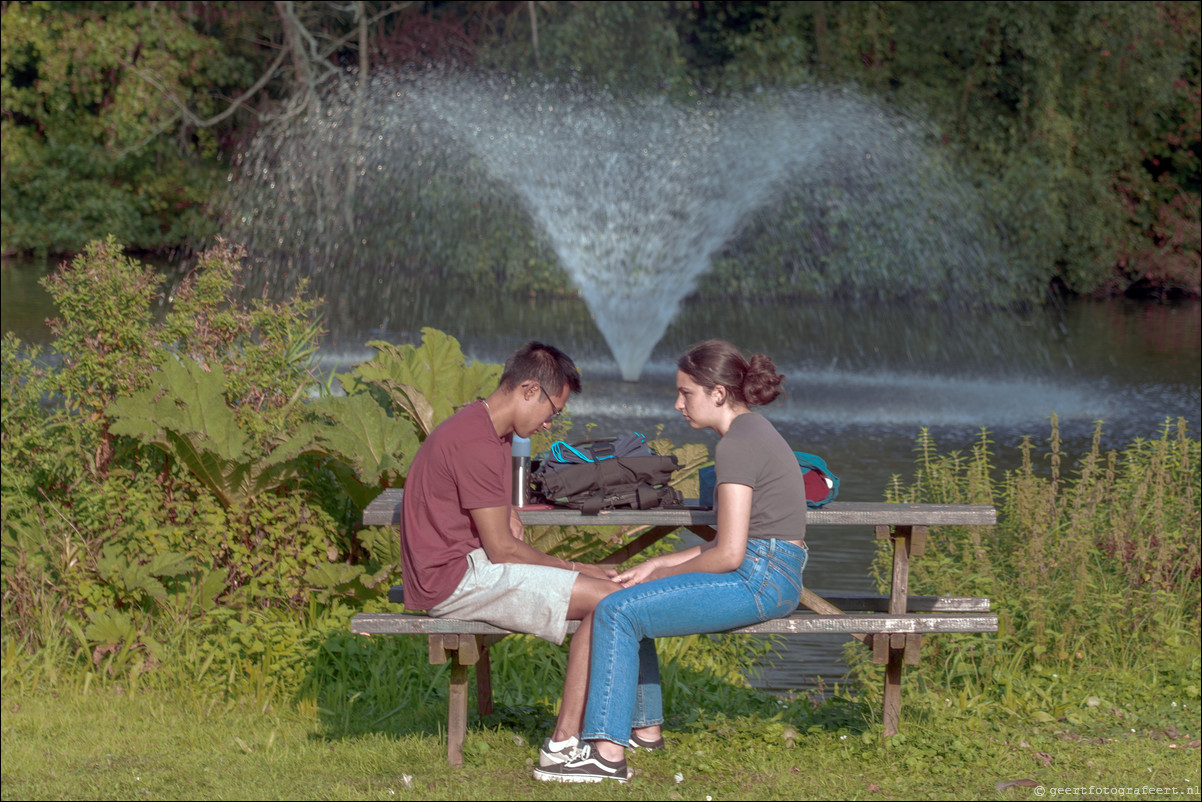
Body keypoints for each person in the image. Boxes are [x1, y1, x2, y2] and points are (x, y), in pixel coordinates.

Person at [534, 339, 809, 784]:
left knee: (617, 609)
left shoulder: (736, 446)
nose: (677, 403)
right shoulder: (750, 432)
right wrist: (658, 564)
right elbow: (734, 542)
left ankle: (606, 755)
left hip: (761, 578)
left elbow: (729, 554)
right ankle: (645, 729)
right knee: (630, 596)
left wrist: (660, 576)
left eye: (686, 393)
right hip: (770, 569)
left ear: (718, 393)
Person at [399, 340, 658, 767]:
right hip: (453, 579)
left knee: (611, 592)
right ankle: (564, 746)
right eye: (552, 412)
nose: (549, 425)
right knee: (610, 599)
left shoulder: (491, 433)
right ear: (528, 390)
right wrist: (575, 566)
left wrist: (513, 520)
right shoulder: (476, 441)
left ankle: (604, 731)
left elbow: (504, 527)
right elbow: (502, 548)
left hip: (470, 564)